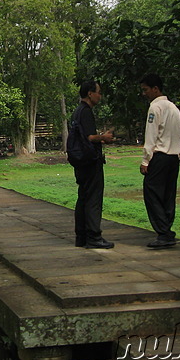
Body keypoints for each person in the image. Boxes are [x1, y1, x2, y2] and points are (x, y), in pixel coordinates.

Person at [140, 74, 180, 249]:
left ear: (155, 89)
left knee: (152, 193)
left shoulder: (155, 108)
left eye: (146, 90)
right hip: (173, 156)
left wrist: (145, 160)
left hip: (160, 156)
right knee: (168, 194)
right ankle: (167, 229)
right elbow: (179, 131)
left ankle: (163, 231)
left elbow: (151, 135)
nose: (144, 93)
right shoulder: (174, 108)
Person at [71, 80, 114, 249]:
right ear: (90, 93)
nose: (100, 96)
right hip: (90, 161)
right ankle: (94, 236)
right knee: (93, 199)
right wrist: (103, 137)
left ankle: (81, 236)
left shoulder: (77, 112)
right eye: (98, 92)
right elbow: (89, 137)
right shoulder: (86, 111)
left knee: (83, 197)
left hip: (80, 161)